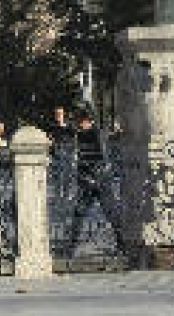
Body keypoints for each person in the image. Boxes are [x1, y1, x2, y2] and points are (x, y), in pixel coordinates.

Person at [65, 109, 126, 257]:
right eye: (79, 122)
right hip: (90, 181)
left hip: (99, 181)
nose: (79, 124)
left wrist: (93, 177)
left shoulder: (96, 134)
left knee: (110, 213)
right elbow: (82, 158)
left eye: (81, 122)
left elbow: (101, 158)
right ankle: (70, 248)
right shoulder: (82, 134)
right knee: (80, 213)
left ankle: (122, 245)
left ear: (89, 121)